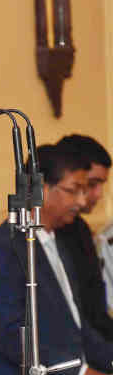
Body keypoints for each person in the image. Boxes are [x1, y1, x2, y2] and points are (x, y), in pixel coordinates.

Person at [0, 144, 113, 375]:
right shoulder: (3, 248)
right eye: (73, 191)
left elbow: (78, 328)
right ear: (41, 190)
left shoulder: (56, 240)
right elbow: (12, 337)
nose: (81, 201)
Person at [55, 135, 113, 341]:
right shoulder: (40, 235)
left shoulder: (80, 228)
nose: (98, 195)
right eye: (93, 184)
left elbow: (96, 312)